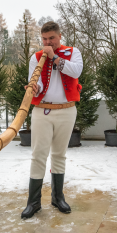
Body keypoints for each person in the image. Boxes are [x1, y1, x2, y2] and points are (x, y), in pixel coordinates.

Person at [21, 21, 83, 219]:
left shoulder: (73, 53)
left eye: (52, 38)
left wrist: (55, 57)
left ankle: (58, 198)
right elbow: (36, 81)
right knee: (38, 155)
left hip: (66, 110)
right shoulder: (36, 57)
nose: (48, 42)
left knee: (59, 154)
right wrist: (34, 88)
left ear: (59, 36)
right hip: (42, 111)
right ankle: (33, 202)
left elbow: (76, 72)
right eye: (44, 39)